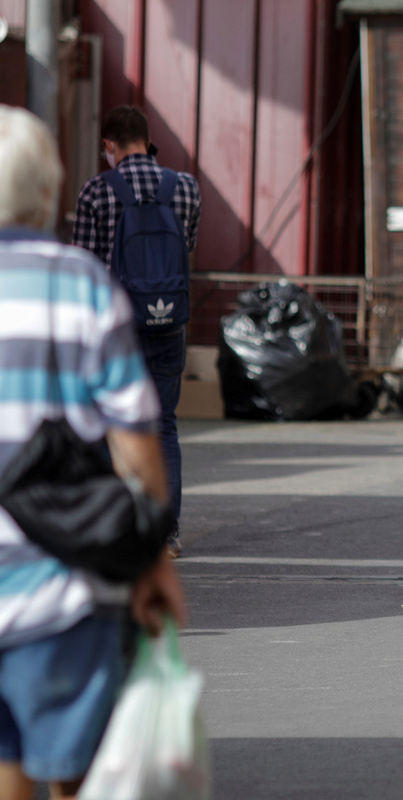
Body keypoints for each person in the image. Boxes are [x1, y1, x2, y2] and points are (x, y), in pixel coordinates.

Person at [0, 104, 187, 800]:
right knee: (72, 766)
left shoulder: (93, 226)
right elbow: (136, 443)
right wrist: (151, 559)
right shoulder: (78, 284)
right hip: (63, 579)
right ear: (48, 191)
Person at [72, 105, 201, 559]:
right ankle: (166, 535)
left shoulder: (95, 191)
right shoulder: (185, 187)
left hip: (115, 330)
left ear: (108, 144)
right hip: (169, 321)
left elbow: (84, 268)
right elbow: (186, 248)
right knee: (163, 425)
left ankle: (119, 528)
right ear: (148, 141)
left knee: (111, 426)